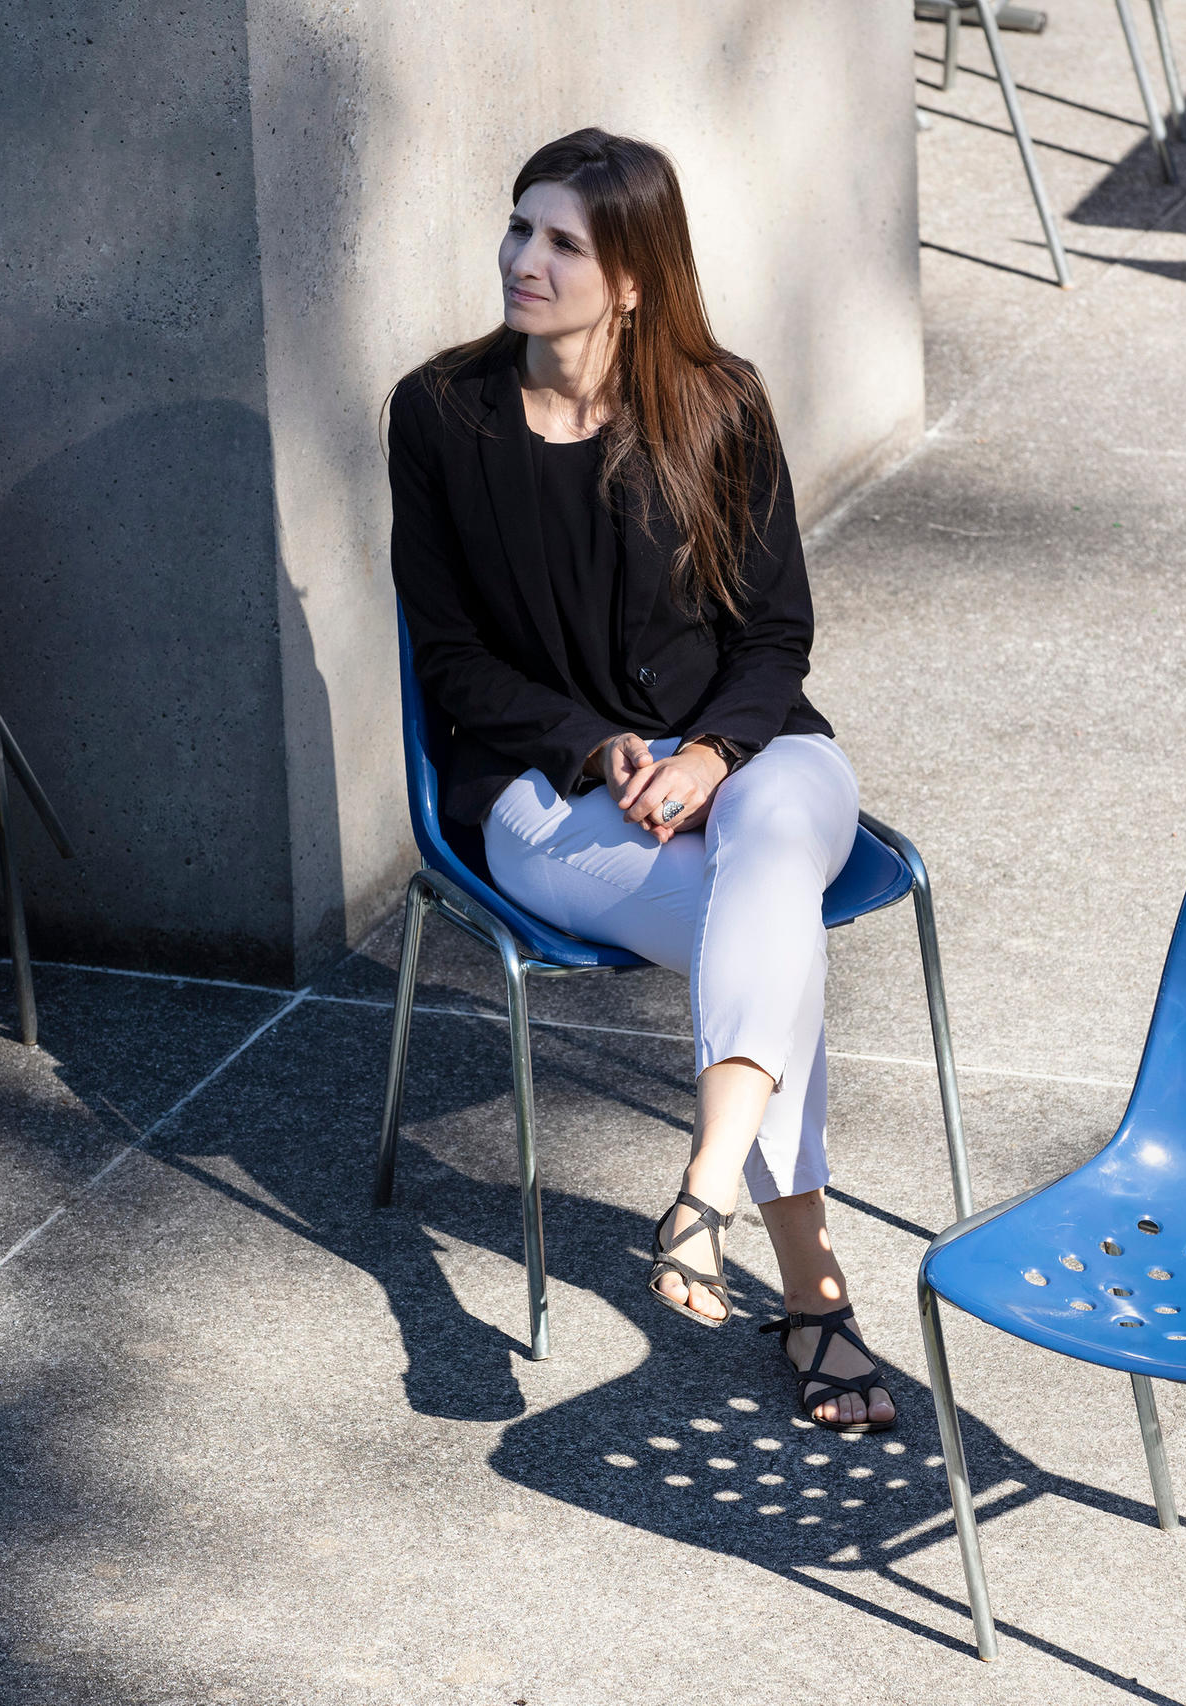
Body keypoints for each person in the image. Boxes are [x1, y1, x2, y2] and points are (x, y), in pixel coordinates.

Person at [386, 129, 893, 1434]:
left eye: (563, 242)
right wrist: (598, 747)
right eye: (518, 228)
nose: (524, 260)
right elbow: (447, 659)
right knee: (774, 950)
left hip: (755, 756)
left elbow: (776, 632)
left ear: (631, 281)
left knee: (772, 858)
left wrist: (713, 751)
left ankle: (707, 1191)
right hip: (543, 793)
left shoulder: (718, 404)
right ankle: (815, 1295)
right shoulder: (442, 415)